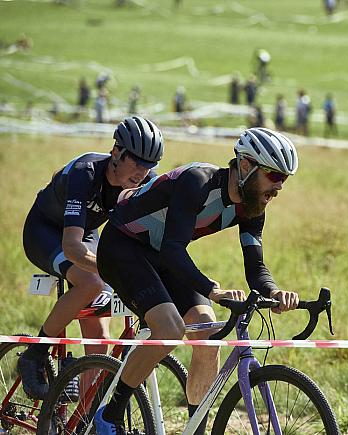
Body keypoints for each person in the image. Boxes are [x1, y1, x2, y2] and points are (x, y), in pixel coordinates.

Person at [93, 128, 300, 435]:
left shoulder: (253, 206)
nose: (279, 185)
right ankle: (109, 416)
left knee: (208, 331)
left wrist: (274, 292)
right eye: (273, 175)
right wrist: (212, 290)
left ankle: (195, 429)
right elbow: (173, 250)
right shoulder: (197, 181)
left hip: (160, 255)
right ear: (245, 166)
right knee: (169, 329)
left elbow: (255, 266)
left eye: (284, 178)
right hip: (122, 247)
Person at [18, 116, 164, 401]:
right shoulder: (85, 173)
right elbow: (72, 247)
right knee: (91, 282)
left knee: (99, 340)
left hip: (84, 232)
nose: (141, 172)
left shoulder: (145, 182)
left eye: (149, 165)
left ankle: (85, 417)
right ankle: (34, 354)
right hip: (45, 231)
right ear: (116, 152)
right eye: (136, 162)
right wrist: (113, 269)